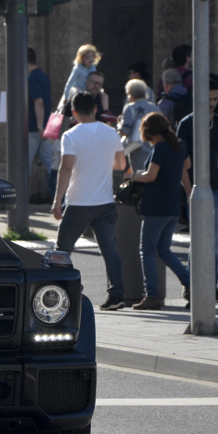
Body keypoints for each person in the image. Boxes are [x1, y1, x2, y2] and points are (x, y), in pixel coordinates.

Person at [53, 91, 127, 311]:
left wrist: (57, 201)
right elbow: (121, 165)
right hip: (105, 203)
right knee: (109, 250)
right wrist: (102, 163)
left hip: (78, 202)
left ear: (74, 112)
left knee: (62, 249)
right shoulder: (110, 132)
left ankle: (59, 290)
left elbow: (66, 168)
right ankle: (116, 295)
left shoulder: (71, 135)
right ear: (96, 109)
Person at [176, 74, 218, 304]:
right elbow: (182, 160)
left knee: (212, 241)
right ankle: (193, 287)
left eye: (215, 98)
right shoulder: (187, 124)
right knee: (198, 241)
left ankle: (211, 286)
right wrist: (189, 189)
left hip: (215, 189)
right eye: (208, 99)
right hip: (194, 189)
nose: (212, 103)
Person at [125, 112, 191, 310]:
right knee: (164, 250)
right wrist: (188, 193)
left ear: (147, 132)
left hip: (156, 207)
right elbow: (186, 167)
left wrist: (135, 176)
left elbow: (151, 176)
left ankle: (152, 295)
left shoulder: (160, 148)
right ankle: (191, 284)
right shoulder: (178, 146)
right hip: (172, 207)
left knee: (147, 250)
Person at [26, 47, 57, 196]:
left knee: (23, 168)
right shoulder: (43, 76)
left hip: (34, 129)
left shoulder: (32, 78)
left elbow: (38, 102)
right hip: (45, 128)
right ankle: (62, 197)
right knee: (52, 165)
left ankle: (19, 202)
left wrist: (39, 126)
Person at [118, 79, 160, 170]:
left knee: (140, 178)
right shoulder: (155, 108)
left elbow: (125, 131)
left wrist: (119, 124)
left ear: (130, 94)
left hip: (138, 150)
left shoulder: (130, 108)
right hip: (155, 150)